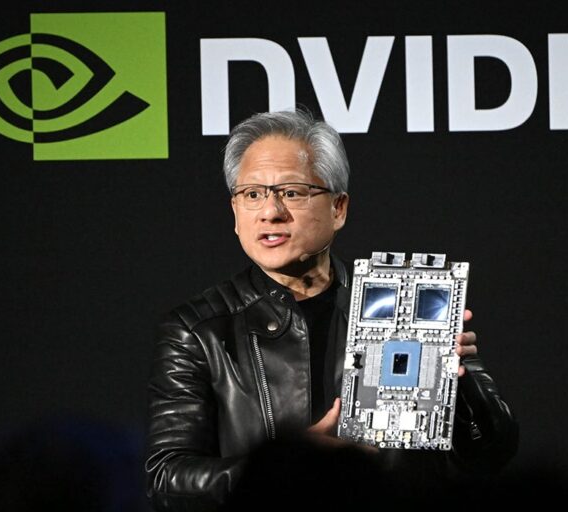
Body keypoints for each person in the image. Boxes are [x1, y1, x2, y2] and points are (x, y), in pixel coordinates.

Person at [145, 109, 517, 511]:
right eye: (252, 194)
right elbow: (167, 479)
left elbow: (491, 454)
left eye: (292, 192)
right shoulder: (198, 329)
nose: (270, 211)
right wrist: (289, 463)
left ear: (338, 208)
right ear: (235, 212)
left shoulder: (409, 302)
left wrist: (460, 383)